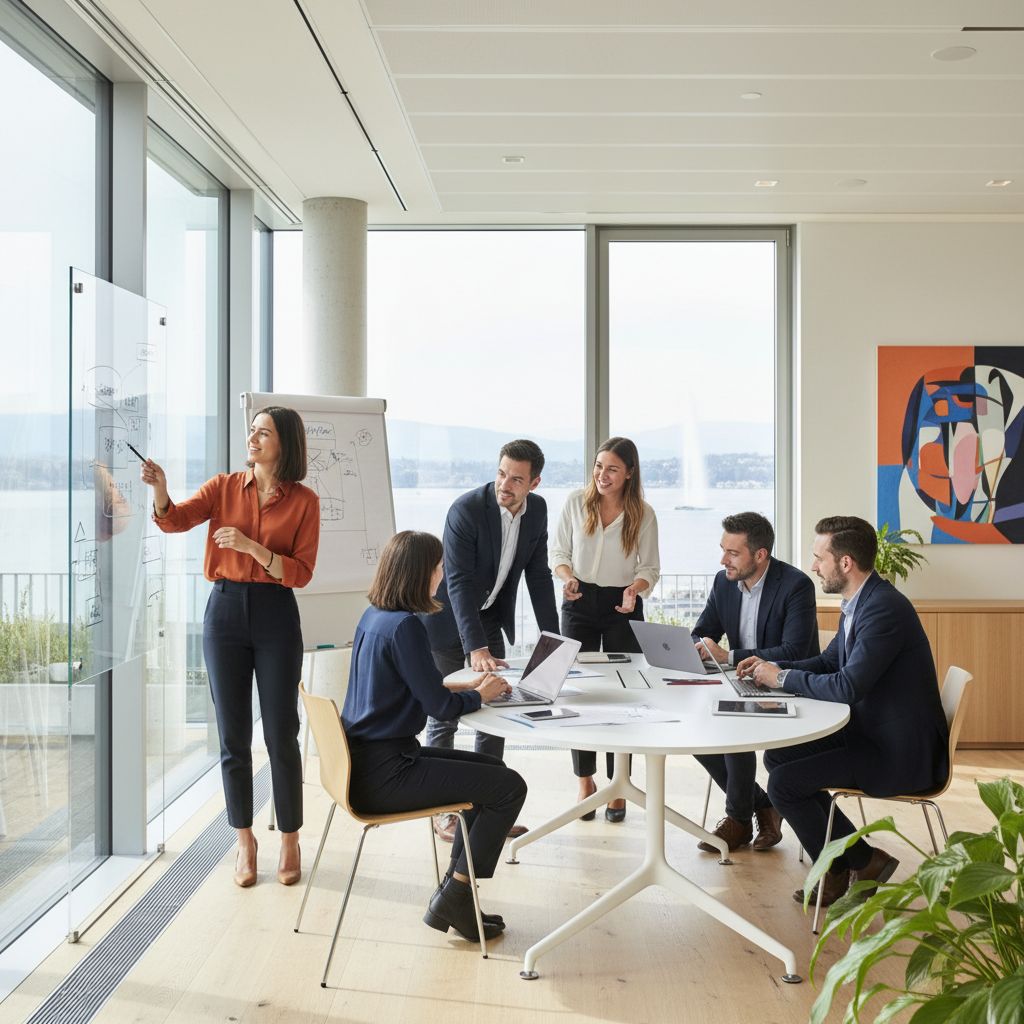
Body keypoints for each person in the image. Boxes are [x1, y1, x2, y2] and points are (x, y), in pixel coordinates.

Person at [143, 406, 319, 889]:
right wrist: (161, 491)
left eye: (264, 433)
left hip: (276, 615)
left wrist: (252, 548)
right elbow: (176, 521)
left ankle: (290, 837)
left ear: (285, 443)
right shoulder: (223, 487)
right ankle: (244, 840)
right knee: (233, 736)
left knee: (282, 732)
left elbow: (302, 572)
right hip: (224, 614)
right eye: (252, 430)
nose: (253, 438)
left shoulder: (304, 501)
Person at [739, 516, 949, 908]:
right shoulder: (859, 602)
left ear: (846, 563)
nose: (813, 566)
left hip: (899, 754)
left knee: (784, 785)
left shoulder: (883, 609)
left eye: (819, 558)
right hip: (874, 733)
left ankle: (838, 866)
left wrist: (781, 678)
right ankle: (863, 859)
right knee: (779, 756)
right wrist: (771, 671)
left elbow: (848, 686)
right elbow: (828, 662)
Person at [343, 531, 527, 943]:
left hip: (370, 762)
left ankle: (453, 892)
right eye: (439, 567)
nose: (442, 576)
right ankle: (455, 894)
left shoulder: (374, 616)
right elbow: (439, 708)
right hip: (388, 775)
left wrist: (468, 687)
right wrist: (480, 695)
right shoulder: (407, 626)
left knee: (494, 773)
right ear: (420, 572)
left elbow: (415, 687)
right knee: (509, 788)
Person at [422, 439, 559, 843]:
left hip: (489, 619)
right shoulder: (465, 510)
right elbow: (459, 583)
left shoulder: (537, 511)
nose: (505, 484)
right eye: (501, 474)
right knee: (443, 714)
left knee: (495, 711)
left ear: (534, 483)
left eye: (516, 479)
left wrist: (554, 640)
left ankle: (485, 810)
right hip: (446, 620)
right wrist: (475, 647)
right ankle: (443, 811)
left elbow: (539, 576)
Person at [690, 512, 818, 854]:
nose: (723, 560)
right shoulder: (724, 582)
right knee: (698, 733)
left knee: (732, 728)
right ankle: (761, 805)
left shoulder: (796, 585)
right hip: (742, 686)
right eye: (723, 550)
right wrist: (696, 647)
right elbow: (702, 631)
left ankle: (739, 820)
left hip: (789, 687)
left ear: (760, 555)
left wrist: (730, 656)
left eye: (733, 553)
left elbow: (794, 651)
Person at [550, 437, 659, 822]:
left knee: (622, 695)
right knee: (576, 690)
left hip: (622, 604)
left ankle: (619, 783)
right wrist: (566, 577)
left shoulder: (643, 514)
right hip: (578, 598)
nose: (602, 475)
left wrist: (635, 589)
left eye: (612, 468)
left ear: (629, 472)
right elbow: (558, 552)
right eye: (599, 466)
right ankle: (585, 780)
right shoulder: (575, 503)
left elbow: (650, 568)